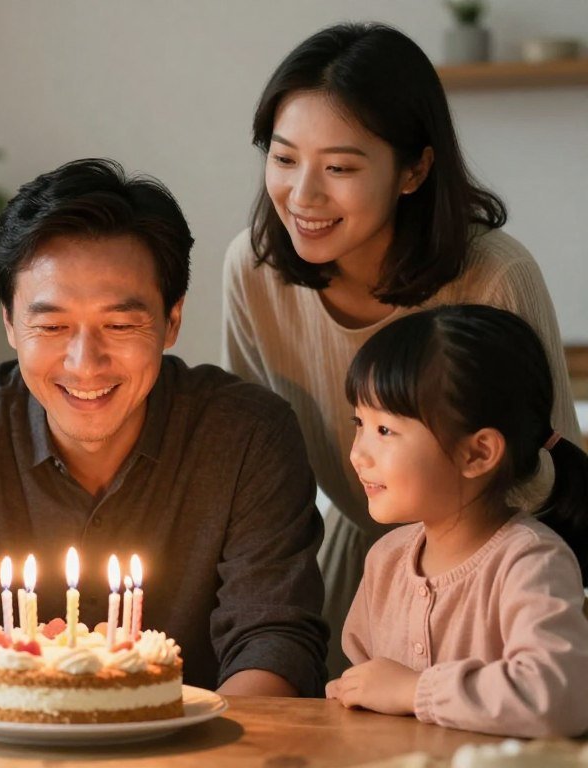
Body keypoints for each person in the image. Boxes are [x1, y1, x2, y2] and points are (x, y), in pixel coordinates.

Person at [0, 158, 328, 697]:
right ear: (9, 321)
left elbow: (274, 638)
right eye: (51, 326)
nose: (85, 362)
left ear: (172, 320)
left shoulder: (247, 438)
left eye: (119, 324)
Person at [221, 22, 581, 678]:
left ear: (414, 168)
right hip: (361, 576)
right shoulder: (253, 271)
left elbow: (548, 471)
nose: (302, 196)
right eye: (283, 158)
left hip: (496, 583)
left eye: (339, 167)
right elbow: (258, 465)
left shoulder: (492, 274)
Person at [325, 304, 588, 737]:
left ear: (478, 453)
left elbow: (558, 699)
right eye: (359, 422)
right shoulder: (384, 562)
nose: (358, 454)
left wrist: (415, 692)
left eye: (384, 431)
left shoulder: (531, 563)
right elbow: (366, 693)